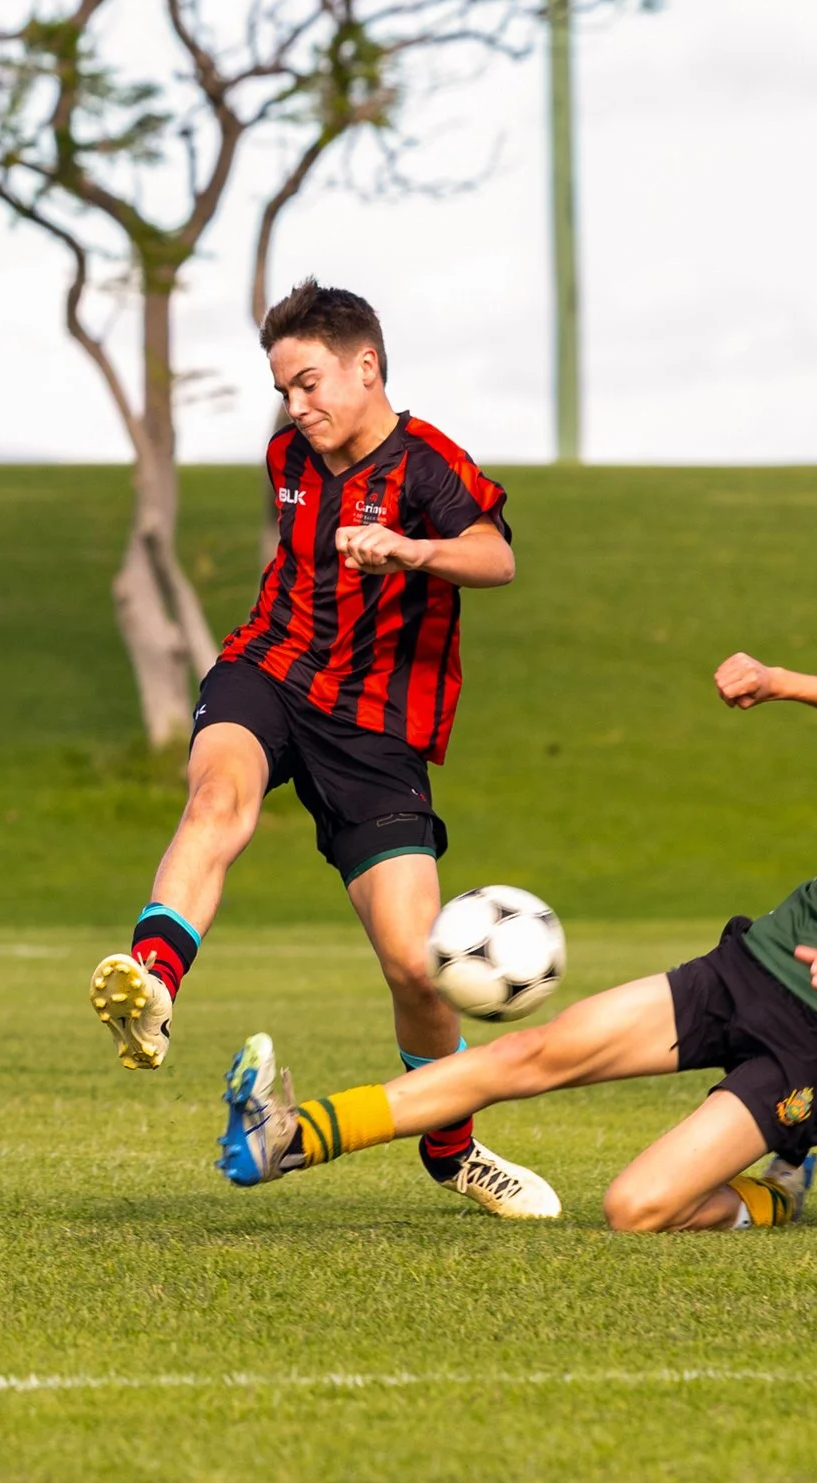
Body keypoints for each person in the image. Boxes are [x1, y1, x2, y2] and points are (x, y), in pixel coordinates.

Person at [215, 586, 817, 1232]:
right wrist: (778, 681)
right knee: (535, 1052)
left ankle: (775, 1196)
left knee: (635, 1207)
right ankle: (291, 1136)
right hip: (749, 968)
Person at [86, 279, 555, 1218]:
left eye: (309, 384)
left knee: (415, 965)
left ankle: (453, 1148)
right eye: (284, 391)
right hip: (268, 668)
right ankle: (153, 984)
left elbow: (496, 556)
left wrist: (410, 551)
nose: (296, 408)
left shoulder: (428, 464)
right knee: (218, 799)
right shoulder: (287, 457)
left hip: (377, 729)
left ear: (366, 366)